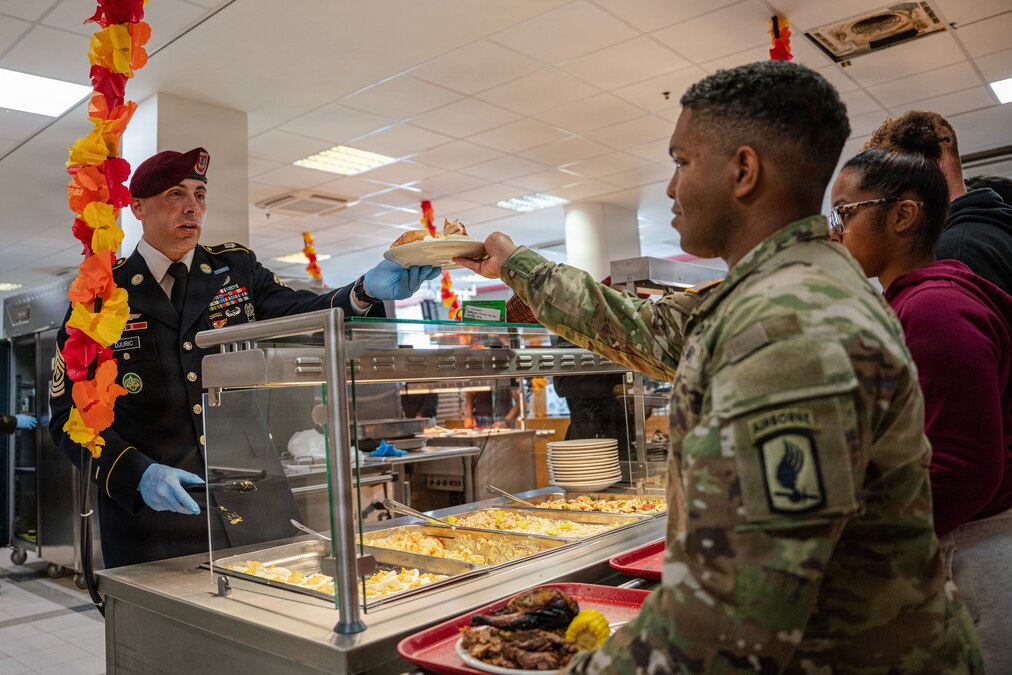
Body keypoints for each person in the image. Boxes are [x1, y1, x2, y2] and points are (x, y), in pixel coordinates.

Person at [457, 61, 980, 672]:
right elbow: (644, 329)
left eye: (682, 161)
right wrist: (518, 264)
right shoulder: (780, 287)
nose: (672, 188)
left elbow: (734, 614)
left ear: (743, 171)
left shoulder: (793, 326)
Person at [48, 147, 440, 568]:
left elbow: (302, 311)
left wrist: (363, 292)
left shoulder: (235, 269)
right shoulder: (101, 296)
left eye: (199, 195)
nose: (192, 207)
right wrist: (135, 473)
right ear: (138, 207)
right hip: (158, 523)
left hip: (257, 508)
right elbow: (66, 417)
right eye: (176, 194)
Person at [829, 144, 1012, 672]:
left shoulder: (935, 309)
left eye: (844, 213)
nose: (834, 231)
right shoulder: (909, 303)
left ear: (904, 215)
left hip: (973, 557)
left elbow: (963, 470)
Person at [866, 111, 1012, 295]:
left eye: (895, 175)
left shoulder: (955, 253)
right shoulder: (993, 225)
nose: (891, 192)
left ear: (934, 165)